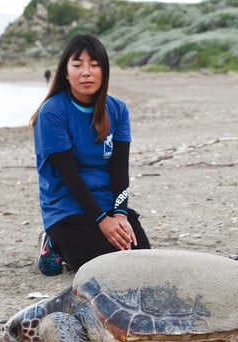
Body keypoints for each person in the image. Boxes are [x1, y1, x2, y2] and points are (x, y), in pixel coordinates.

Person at [31, 34, 150, 276]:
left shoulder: (117, 109)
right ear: (65, 72)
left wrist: (119, 213)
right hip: (66, 206)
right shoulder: (52, 112)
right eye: (77, 65)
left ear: (104, 71)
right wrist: (101, 220)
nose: (86, 72)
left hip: (105, 203)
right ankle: (52, 241)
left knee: (142, 259)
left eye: (94, 65)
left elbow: (119, 168)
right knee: (100, 270)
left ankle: (96, 227)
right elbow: (68, 175)